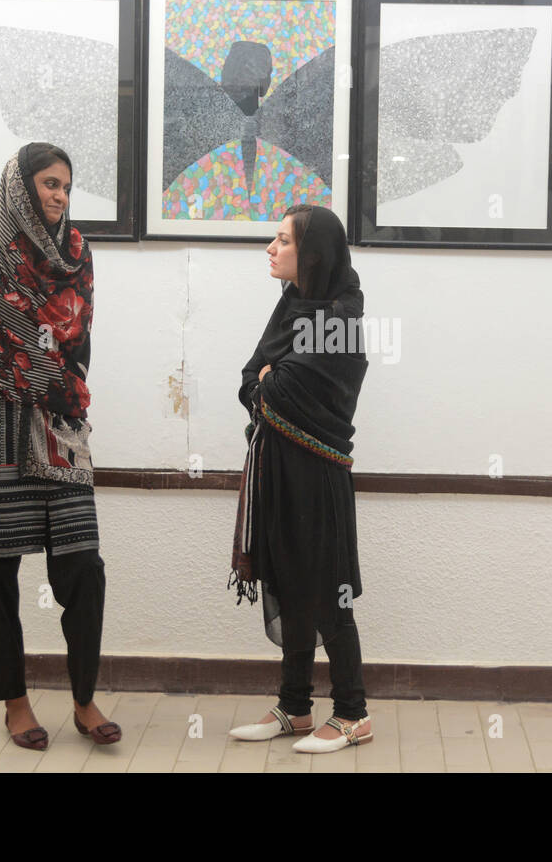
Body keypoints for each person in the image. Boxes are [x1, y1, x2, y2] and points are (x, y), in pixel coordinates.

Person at [0, 142, 120, 751]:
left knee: (83, 569)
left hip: (56, 428)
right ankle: (15, 702)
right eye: (48, 183)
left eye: (67, 185)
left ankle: (84, 698)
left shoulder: (77, 254)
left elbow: (79, 339)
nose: (60, 195)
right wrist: (38, 375)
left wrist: (50, 381)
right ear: (19, 186)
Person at [228, 204, 372, 753]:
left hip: (317, 473)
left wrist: (268, 383)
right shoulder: (293, 304)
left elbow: (279, 392)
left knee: (327, 589)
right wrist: (267, 381)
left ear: (312, 254)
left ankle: (353, 712)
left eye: (282, 240)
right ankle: (295, 706)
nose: (271, 248)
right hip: (278, 469)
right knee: (289, 583)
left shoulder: (340, 317)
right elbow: (251, 379)